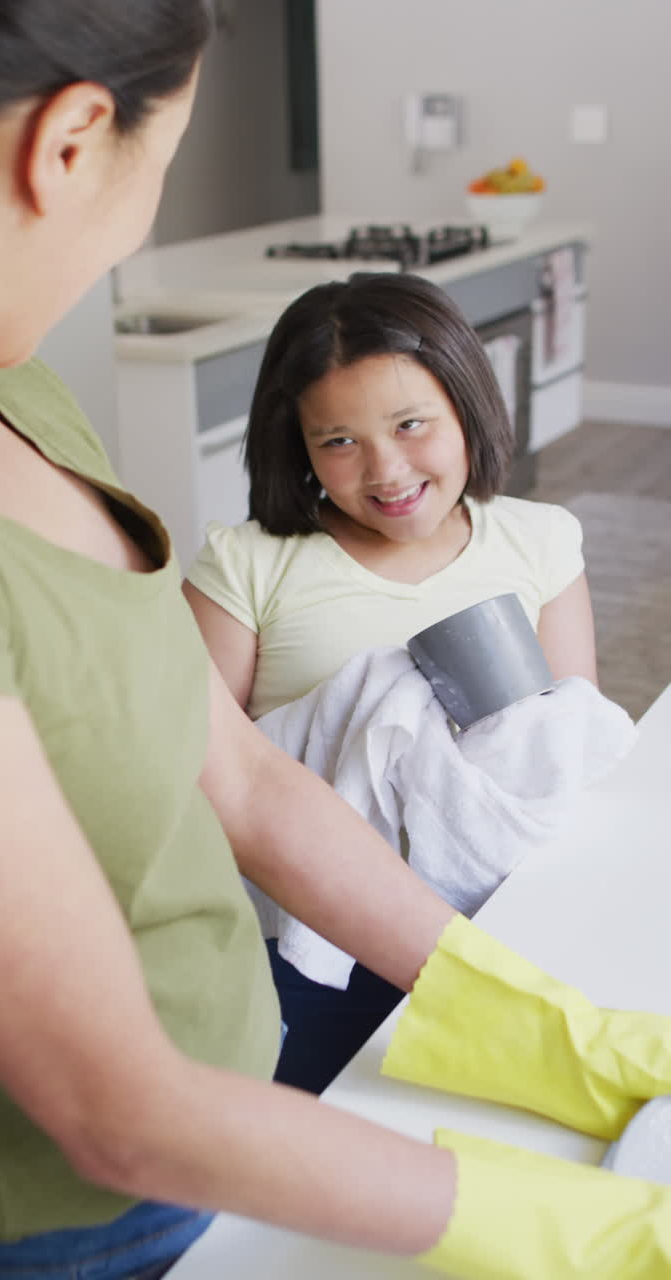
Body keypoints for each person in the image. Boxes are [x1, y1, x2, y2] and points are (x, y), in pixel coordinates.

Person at [0, 4, 671, 1279]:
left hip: (252, 1107)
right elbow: (113, 1104)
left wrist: (526, 1018)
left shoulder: (9, 388)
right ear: (70, 143)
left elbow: (235, 770)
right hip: (89, 1220)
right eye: (162, 163)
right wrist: (573, 1225)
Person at [185, 272, 599, 1092]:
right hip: (309, 943)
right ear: (295, 444)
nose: (386, 469)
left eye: (412, 425)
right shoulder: (249, 564)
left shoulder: (539, 542)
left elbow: (564, 753)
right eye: (337, 441)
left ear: (466, 409)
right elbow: (193, 775)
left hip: (500, 924)